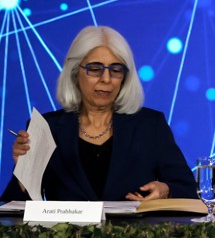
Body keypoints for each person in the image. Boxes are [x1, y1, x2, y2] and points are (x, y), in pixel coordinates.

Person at [1, 26, 197, 202]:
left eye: (116, 70)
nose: (106, 79)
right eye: (95, 69)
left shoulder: (150, 125)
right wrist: (24, 171)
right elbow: (14, 213)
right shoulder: (47, 127)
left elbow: (188, 190)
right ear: (75, 72)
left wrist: (166, 190)